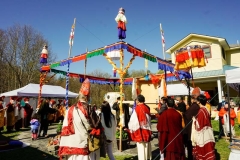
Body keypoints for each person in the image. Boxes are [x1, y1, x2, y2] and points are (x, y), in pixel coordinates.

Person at [59, 78, 102, 160]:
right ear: (88, 97)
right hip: (83, 146)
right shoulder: (89, 110)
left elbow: (65, 128)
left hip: (71, 145)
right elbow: (97, 127)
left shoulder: (69, 110)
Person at [191, 95, 215, 160]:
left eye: (197, 100)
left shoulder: (201, 111)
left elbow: (200, 124)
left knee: (203, 149)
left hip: (203, 133)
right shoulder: (206, 109)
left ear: (199, 102)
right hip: (208, 131)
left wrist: (194, 120)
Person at [128, 95, 152, 160]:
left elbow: (133, 121)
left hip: (140, 130)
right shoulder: (147, 107)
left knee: (141, 147)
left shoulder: (137, 108)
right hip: (147, 129)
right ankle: (147, 158)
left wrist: (130, 129)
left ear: (138, 100)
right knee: (146, 146)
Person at [183, 87, 200, 160]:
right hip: (191, 126)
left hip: (191, 128)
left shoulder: (195, 106)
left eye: (193, 97)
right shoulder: (194, 106)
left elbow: (187, 115)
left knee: (191, 143)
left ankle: (191, 157)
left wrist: (182, 114)